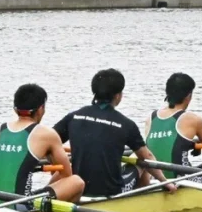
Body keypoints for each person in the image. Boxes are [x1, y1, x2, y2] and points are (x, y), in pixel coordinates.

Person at [52, 69, 175, 198]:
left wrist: (57, 160)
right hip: (110, 192)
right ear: (118, 96)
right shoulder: (126, 124)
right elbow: (147, 156)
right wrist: (165, 181)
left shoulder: (74, 117)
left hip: (78, 187)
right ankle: (140, 202)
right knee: (140, 161)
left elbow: (50, 141)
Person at [0, 83, 85, 206]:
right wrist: (48, 155)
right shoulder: (47, 134)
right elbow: (65, 174)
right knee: (76, 181)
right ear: (41, 109)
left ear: (15, 109)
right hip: (20, 205)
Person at [143, 73, 202, 182]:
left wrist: (189, 145)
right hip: (185, 180)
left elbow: (161, 145)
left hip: (156, 179)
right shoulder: (193, 119)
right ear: (189, 96)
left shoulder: (150, 118)